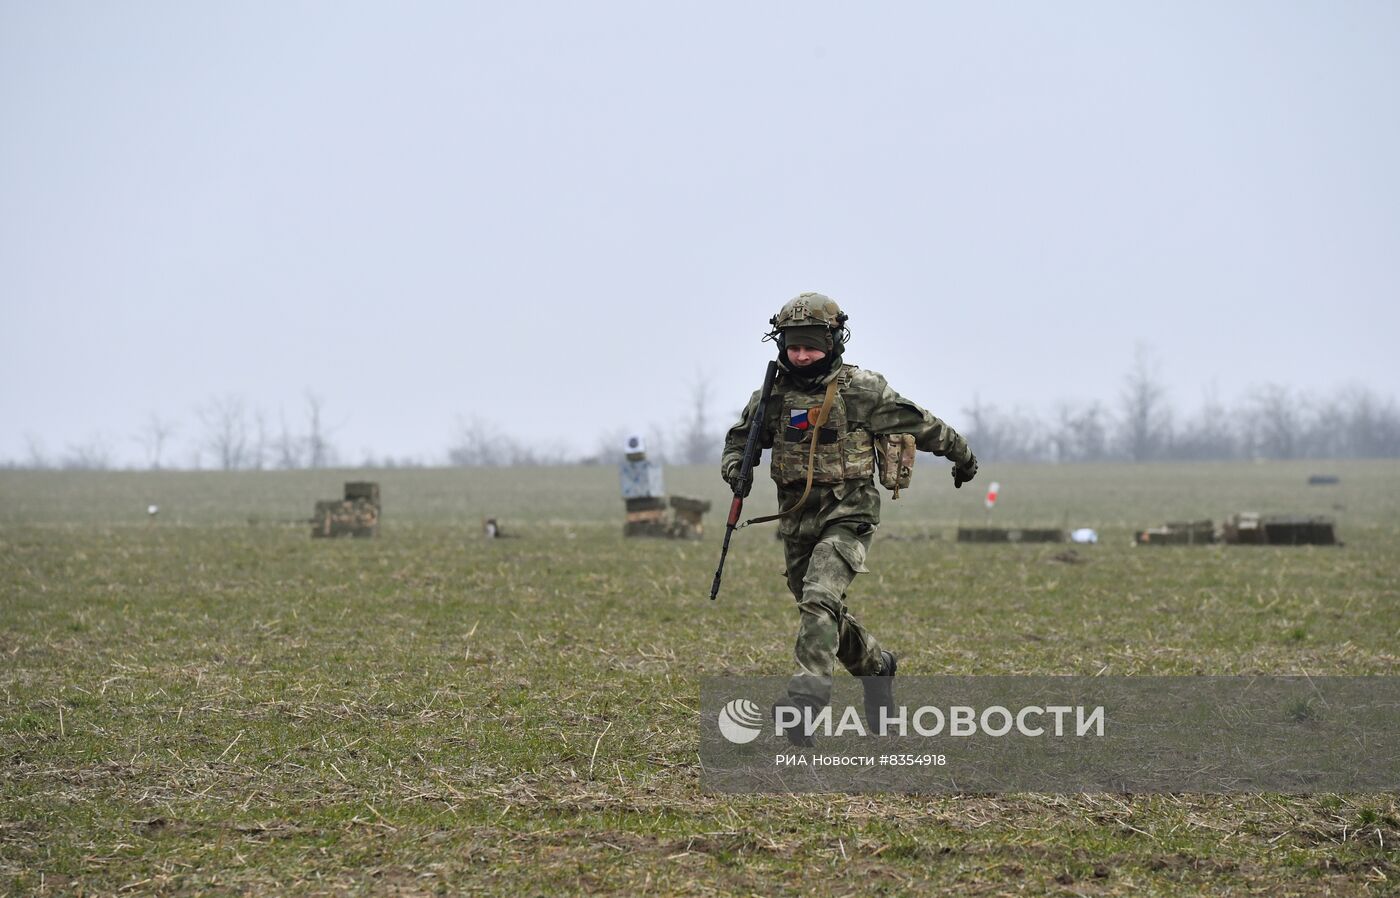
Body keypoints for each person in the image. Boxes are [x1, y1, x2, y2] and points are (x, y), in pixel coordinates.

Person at [720, 292, 978, 745]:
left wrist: (963, 457)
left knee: (819, 597)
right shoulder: (773, 395)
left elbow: (923, 424)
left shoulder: (862, 391)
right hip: (797, 519)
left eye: (811, 345)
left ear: (834, 341)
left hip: (850, 514)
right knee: (822, 610)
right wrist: (734, 470)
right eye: (793, 346)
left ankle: (805, 704)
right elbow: (741, 440)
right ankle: (878, 667)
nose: (801, 355)